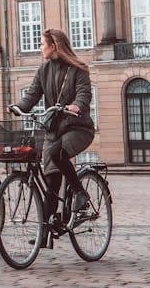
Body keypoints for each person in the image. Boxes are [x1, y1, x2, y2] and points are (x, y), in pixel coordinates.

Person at [11, 28, 95, 224]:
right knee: (51, 179)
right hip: (53, 130)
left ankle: (80, 193)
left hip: (78, 128)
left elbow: (84, 93)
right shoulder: (44, 70)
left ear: (54, 46)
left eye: (42, 44)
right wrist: (18, 107)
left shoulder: (78, 69)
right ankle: (46, 229)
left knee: (58, 153)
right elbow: (32, 94)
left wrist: (77, 105)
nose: (41, 48)